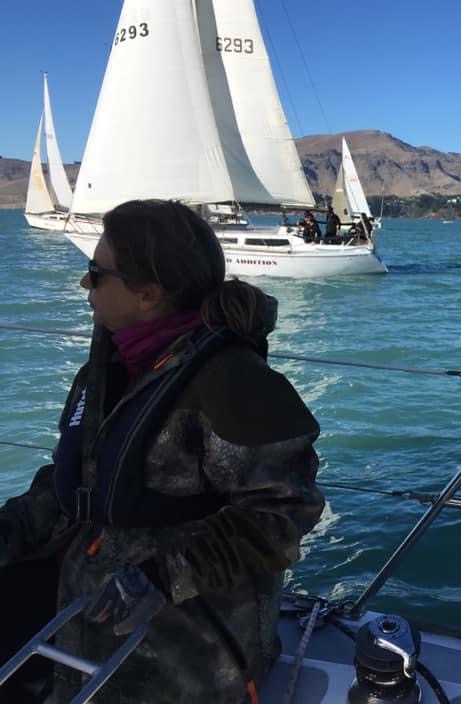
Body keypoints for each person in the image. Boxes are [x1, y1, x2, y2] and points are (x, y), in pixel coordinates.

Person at [0, 199, 325, 704]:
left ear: (148, 294)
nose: (85, 284)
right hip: (83, 625)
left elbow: (283, 514)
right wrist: (11, 528)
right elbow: (78, 481)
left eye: (96, 273)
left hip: (184, 657)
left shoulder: (233, 384)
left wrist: (160, 576)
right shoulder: (105, 370)